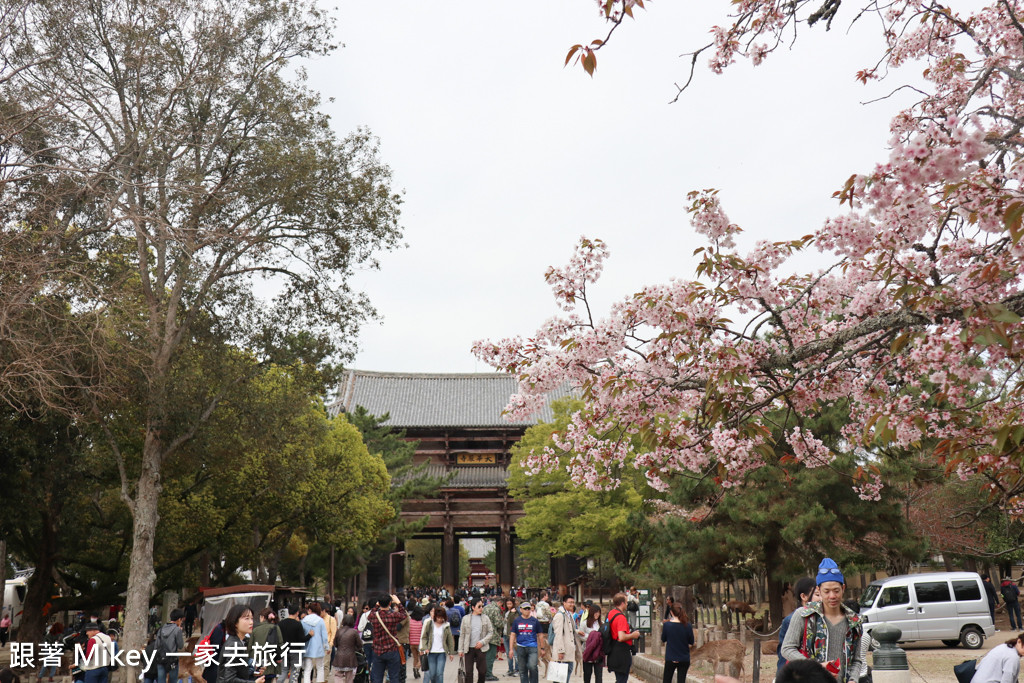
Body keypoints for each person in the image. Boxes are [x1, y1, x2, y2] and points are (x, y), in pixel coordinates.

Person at [780, 558, 864, 683]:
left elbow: (857, 660)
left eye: (836, 591)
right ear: (818, 590)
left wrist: (853, 679)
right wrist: (816, 666)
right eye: (826, 591)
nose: (832, 596)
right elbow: (787, 649)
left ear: (843, 588)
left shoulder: (854, 621)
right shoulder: (804, 615)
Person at [778, 578, 819, 673]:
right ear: (803, 596)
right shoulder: (793, 619)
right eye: (817, 595)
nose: (821, 598)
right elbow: (784, 653)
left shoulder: (821, 617)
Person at [217, 605, 266, 683]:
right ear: (235, 622)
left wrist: (253, 673)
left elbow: (236, 672)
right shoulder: (234, 645)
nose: (251, 622)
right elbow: (229, 680)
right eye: (247, 618)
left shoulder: (239, 641)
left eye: (252, 618)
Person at [368, 593, 407, 683]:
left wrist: (376, 605)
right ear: (390, 603)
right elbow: (404, 615)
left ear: (379, 603)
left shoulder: (374, 616)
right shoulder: (394, 615)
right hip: (392, 649)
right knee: (394, 677)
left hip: (378, 650)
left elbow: (370, 615)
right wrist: (398, 603)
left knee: (377, 678)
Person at [605, 594, 640, 683]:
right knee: (622, 680)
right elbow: (621, 637)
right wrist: (633, 635)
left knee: (619, 679)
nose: (627, 604)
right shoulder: (621, 617)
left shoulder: (611, 613)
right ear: (622, 603)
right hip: (621, 652)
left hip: (613, 650)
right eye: (626, 602)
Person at [458, 599, 493, 683]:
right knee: (469, 672)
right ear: (473, 607)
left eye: (482, 606)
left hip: (481, 648)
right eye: (479, 606)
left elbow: (491, 632)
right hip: (468, 648)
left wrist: (482, 642)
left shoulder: (485, 618)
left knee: (482, 671)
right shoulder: (465, 619)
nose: (481, 608)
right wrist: (460, 649)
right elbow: (462, 635)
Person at [549, 596, 582, 679]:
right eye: (570, 602)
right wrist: (560, 650)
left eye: (573, 602)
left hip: (568, 651)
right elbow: (558, 634)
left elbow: (570, 629)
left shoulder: (568, 614)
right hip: (562, 652)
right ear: (564, 603)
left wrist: (577, 632)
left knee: (566, 674)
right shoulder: (560, 615)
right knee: (560, 678)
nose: (572, 604)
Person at [419, 607, 455, 683]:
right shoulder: (429, 624)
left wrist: (451, 652)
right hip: (431, 652)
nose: (440, 620)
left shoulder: (446, 625)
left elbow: (450, 640)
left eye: (441, 618)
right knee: (432, 674)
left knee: (439, 673)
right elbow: (424, 637)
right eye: (438, 617)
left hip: (441, 653)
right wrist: (424, 648)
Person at [661, 604, 694, 683]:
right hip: (684, 658)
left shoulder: (667, 625)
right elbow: (691, 641)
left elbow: (663, 639)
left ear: (671, 612)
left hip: (671, 657)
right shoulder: (688, 626)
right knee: (681, 680)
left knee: (667, 680)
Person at [251, 608, 284, 683]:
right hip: (271, 662)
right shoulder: (276, 628)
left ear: (262, 617)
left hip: (258, 664)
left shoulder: (256, 629)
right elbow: (280, 644)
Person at [154, 609, 186, 683]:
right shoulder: (177, 630)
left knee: (161, 680)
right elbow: (180, 646)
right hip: (172, 659)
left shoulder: (161, 629)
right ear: (179, 619)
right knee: (173, 680)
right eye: (181, 620)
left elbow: (156, 645)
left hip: (161, 658)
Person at [511, 603, 541, 683]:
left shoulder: (535, 621)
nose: (527, 610)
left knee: (532, 666)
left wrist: (542, 648)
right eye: (525, 609)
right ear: (521, 610)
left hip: (532, 647)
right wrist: (511, 649)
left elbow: (540, 634)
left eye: (528, 609)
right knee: (522, 669)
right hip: (521, 647)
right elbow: (513, 634)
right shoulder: (517, 621)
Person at [278, 607, 308, 683]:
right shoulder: (298, 624)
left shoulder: (281, 623)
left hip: (284, 650)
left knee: (284, 671)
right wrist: (310, 635)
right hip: (295, 651)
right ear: (297, 613)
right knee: (294, 672)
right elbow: (302, 639)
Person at [301, 603, 329, 683]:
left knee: (307, 669)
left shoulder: (303, 621)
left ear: (309, 610)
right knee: (320, 667)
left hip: (307, 647)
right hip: (318, 647)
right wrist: (327, 647)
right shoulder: (320, 621)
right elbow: (324, 636)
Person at [332, 614, 361, 683]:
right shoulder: (354, 632)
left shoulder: (339, 631)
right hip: (350, 657)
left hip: (339, 656)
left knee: (338, 675)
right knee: (349, 676)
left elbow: (335, 643)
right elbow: (359, 644)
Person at [483, 598, 505, 682]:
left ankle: (485, 672)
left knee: (486, 655)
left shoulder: (485, 607)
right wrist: (504, 622)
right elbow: (498, 623)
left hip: (484, 635)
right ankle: (488, 674)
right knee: (491, 656)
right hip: (493, 635)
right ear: (499, 602)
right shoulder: (496, 609)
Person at [580, 606, 603, 683]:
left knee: (599, 675)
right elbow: (581, 636)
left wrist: (594, 639)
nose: (597, 614)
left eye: (599, 612)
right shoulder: (584, 624)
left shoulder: (601, 624)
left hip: (598, 652)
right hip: (587, 652)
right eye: (595, 612)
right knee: (587, 674)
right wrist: (594, 638)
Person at [409, 600, 426, 679]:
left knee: (415, 657)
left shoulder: (410, 621)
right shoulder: (421, 622)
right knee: (422, 658)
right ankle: (417, 668)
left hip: (412, 643)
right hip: (419, 643)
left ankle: (415, 670)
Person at [503, 598, 519, 677]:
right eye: (507, 604)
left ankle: (517, 669)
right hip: (505, 634)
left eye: (510, 604)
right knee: (508, 653)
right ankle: (510, 669)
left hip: (512, 635)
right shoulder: (506, 612)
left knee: (515, 653)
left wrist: (512, 614)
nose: (509, 605)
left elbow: (513, 622)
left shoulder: (515, 612)